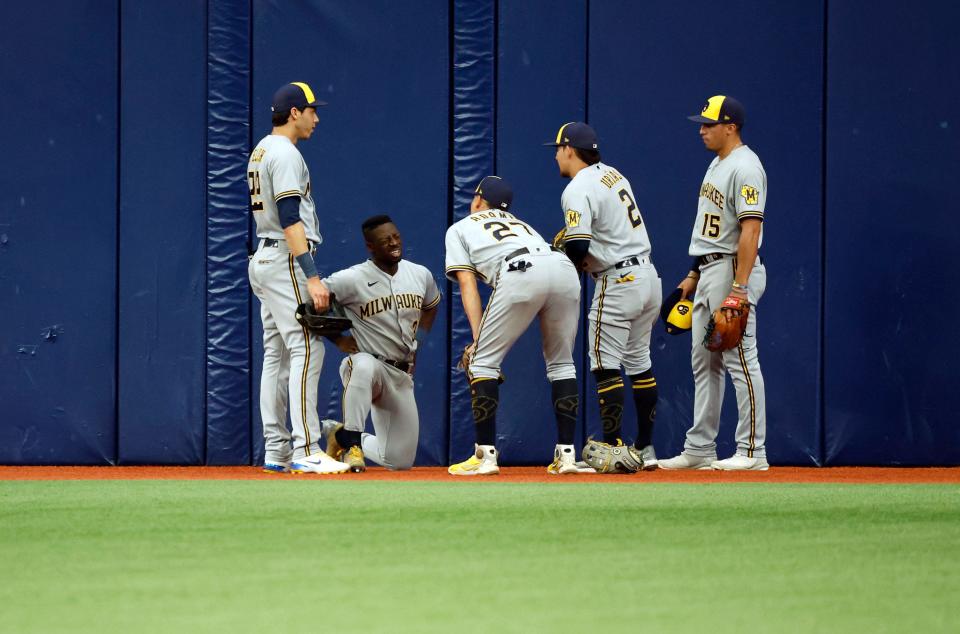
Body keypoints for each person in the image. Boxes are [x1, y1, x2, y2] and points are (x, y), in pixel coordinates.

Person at [445, 176, 590, 476]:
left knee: (483, 363)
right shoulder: (523, 225)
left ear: (477, 200)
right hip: (562, 267)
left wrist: (477, 341)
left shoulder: (460, 228)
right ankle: (566, 456)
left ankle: (484, 456)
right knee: (563, 364)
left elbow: (467, 284)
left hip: (520, 270)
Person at [659, 95, 769, 471]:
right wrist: (693, 274)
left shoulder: (746, 167)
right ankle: (700, 449)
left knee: (739, 358)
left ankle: (753, 451)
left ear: (731, 126)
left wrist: (739, 288)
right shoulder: (716, 163)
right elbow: (711, 225)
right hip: (708, 269)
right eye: (701, 123)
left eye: (708, 123)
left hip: (732, 269)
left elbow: (750, 229)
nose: (702, 129)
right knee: (704, 361)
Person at [247, 81, 349, 475]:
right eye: (311, 110)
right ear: (294, 113)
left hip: (264, 258)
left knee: (277, 355)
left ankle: (277, 450)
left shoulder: (261, 149)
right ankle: (306, 447)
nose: (316, 117)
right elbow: (290, 217)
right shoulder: (285, 153)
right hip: (286, 257)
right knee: (308, 348)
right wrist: (312, 276)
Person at [546, 122, 661, 471]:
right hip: (647, 277)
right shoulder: (613, 174)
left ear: (569, 149)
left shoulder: (576, 188)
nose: (555, 155)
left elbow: (579, 245)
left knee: (605, 363)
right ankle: (646, 447)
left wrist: (566, 254)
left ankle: (614, 447)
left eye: (557, 148)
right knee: (639, 362)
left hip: (618, 278)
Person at [320, 215, 441, 472]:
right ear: (370, 247)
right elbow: (312, 301)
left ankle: (340, 435)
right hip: (369, 366)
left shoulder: (419, 274)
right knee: (362, 364)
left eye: (396, 236)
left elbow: (431, 304)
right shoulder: (351, 279)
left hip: (401, 373)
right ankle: (353, 445)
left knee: (399, 460)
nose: (394, 243)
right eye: (385, 240)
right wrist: (337, 339)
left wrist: (418, 342)